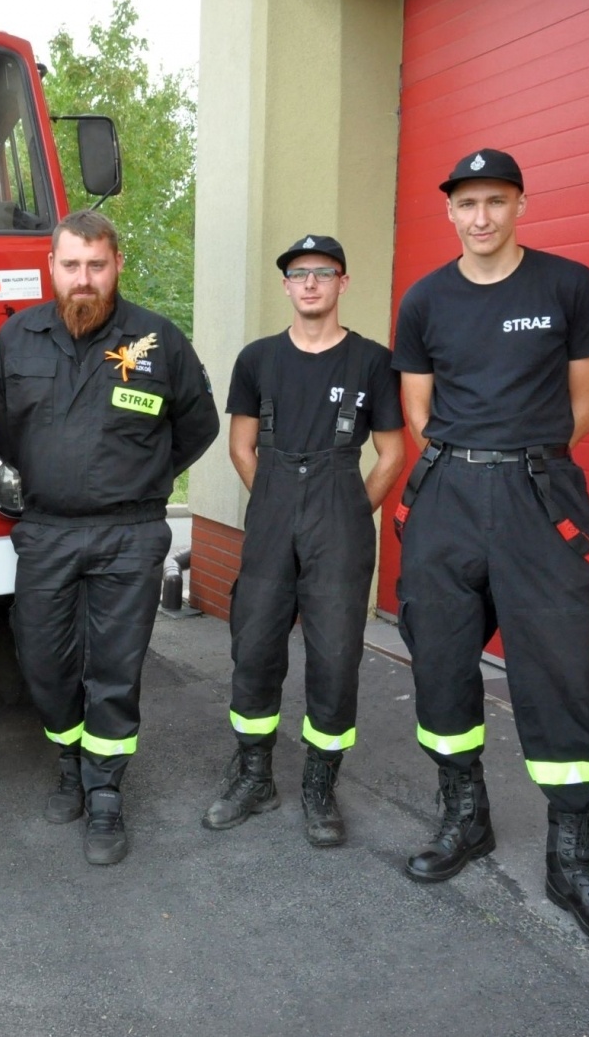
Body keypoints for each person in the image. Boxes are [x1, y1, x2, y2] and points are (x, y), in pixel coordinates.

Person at [392, 148, 589, 947]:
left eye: (496, 202)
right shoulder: (426, 299)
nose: (481, 218)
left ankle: (573, 858)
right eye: (466, 204)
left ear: (521, 206)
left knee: (561, 667)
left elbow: (586, 404)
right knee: (437, 654)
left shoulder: (568, 285)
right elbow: (419, 408)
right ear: (450, 213)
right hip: (447, 496)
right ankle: (463, 816)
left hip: (542, 496)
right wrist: (472, 463)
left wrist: (520, 454)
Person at [0, 209, 219, 865]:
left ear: (116, 265)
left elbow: (198, 425)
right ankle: (68, 757)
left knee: (114, 666)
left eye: (96, 264)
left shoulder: (158, 339)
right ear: (50, 269)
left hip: (129, 530)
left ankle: (106, 791)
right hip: (47, 529)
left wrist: (143, 475)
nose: (83, 278)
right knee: (44, 662)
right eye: (70, 265)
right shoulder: (17, 340)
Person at [203, 235, 405, 845]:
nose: (310, 282)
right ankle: (255, 777)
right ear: (286, 286)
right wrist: (273, 498)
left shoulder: (373, 361)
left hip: (339, 506)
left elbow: (392, 452)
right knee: (255, 644)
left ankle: (320, 786)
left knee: (337, 655)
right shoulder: (258, 359)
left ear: (343, 283)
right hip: (272, 507)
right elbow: (242, 446)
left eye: (323, 272)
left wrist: (347, 508)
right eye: (299, 273)